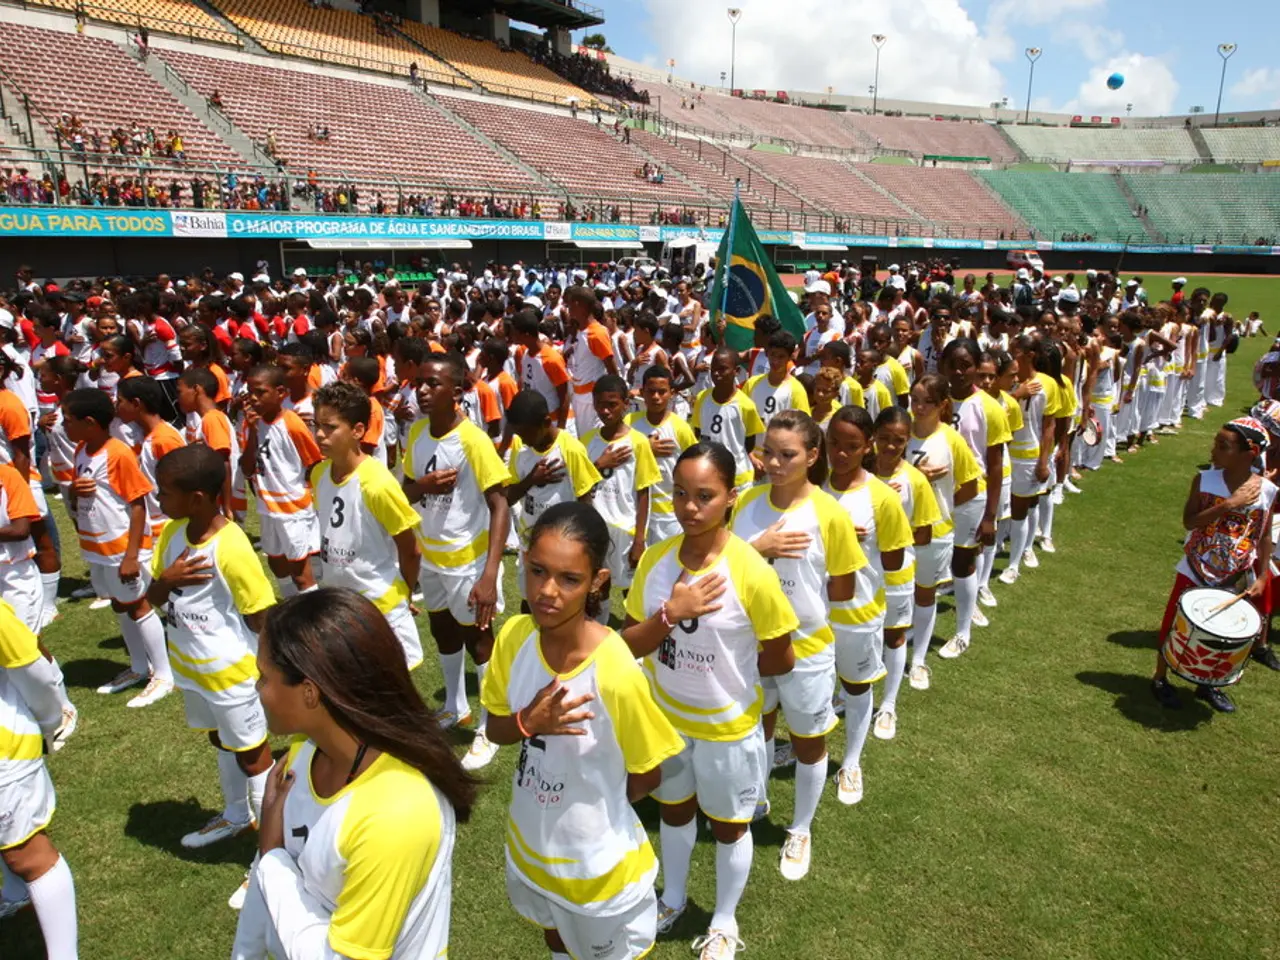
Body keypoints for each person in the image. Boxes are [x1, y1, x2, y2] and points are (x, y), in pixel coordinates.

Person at [482, 503, 685, 960]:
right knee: (554, 936)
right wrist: (526, 723)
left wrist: (595, 801)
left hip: (595, 866)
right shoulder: (515, 637)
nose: (547, 592)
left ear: (597, 582)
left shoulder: (612, 667)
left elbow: (648, 773)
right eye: (537, 571)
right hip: (532, 843)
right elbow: (496, 728)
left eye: (569, 579)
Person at [230, 589, 476, 960]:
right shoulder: (301, 757)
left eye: (264, 677)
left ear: (309, 693)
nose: (257, 688)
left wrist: (271, 856)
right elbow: (263, 901)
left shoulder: (397, 814)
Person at [623, 442, 797, 960]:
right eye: (680, 494)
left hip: (727, 729)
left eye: (704, 496)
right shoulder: (656, 560)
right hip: (666, 723)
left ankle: (723, 920)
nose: (689, 507)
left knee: (727, 825)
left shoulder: (750, 570)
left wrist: (730, 674)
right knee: (674, 812)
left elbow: (782, 656)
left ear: (730, 499)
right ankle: (672, 899)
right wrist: (670, 616)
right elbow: (628, 642)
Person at [730, 411, 865, 879]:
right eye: (768, 452)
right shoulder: (746, 503)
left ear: (812, 456)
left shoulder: (830, 512)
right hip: (751, 646)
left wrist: (796, 600)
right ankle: (760, 796)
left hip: (806, 650)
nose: (774, 463)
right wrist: (760, 550)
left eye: (787, 455)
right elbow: (725, 568)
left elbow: (844, 589)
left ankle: (801, 828)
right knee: (758, 728)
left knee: (809, 742)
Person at [147, 445, 275, 850]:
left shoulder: (231, 545)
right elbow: (153, 596)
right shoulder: (171, 534)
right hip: (192, 668)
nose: (158, 498)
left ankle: (270, 853)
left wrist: (273, 671)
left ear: (197, 498)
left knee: (253, 755)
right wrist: (167, 580)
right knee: (221, 740)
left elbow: (261, 615)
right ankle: (237, 816)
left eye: (165, 492)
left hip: (233, 673)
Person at [402, 353, 510, 769]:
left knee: (479, 639)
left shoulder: (472, 441)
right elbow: (408, 492)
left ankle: (488, 727)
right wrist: (423, 485)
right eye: (420, 383)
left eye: (434, 384)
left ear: (458, 392)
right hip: (433, 556)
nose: (423, 391)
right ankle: (454, 705)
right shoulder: (417, 433)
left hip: (468, 561)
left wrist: (489, 573)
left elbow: (500, 505)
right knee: (442, 630)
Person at [1151, 417, 1276, 713]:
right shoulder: (1205, 481)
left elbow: (1265, 534)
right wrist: (1229, 504)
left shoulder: (1267, 491)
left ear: (1250, 453)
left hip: (1234, 573)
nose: (1214, 450)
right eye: (1216, 443)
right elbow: (1190, 521)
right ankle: (1159, 677)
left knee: (1221, 632)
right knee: (1175, 623)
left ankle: (1208, 683)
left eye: (1223, 446)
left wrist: (1262, 575)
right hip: (1196, 566)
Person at [63, 388, 174, 707]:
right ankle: (139, 667)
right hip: (98, 547)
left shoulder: (118, 453)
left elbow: (138, 504)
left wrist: (130, 555)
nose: (63, 425)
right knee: (120, 604)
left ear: (89, 422)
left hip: (123, 548)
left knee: (138, 605)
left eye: (68, 420)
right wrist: (74, 492)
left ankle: (163, 675)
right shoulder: (82, 450)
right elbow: (78, 497)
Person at [311, 382, 423, 669]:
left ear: (358, 431)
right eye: (316, 425)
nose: (320, 434)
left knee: (389, 697)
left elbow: (410, 550)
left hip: (380, 609)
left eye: (330, 427)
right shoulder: (320, 474)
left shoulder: (378, 483)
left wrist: (404, 594)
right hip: (340, 610)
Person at [824, 405, 914, 742]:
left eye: (852, 446)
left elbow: (892, 563)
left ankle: (851, 762)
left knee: (856, 687)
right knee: (818, 685)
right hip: (815, 609)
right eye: (834, 443)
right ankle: (810, 747)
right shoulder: (813, 486)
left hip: (858, 613)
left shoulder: (882, 498)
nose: (841, 453)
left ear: (868, 446)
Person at [0, 598, 78, 958]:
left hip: (6, 754)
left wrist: (53, 720)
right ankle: (15, 896)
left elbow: (31, 665)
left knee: (26, 852)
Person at [904, 375, 982, 676]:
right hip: (899, 532)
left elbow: (971, 486)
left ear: (942, 405)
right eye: (914, 400)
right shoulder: (901, 433)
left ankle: (919, 659)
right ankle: (906, 634)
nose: (919, 407)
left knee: (926, 594)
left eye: (927, 402)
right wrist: (916, 476)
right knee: (901, 592)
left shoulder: (951, 439)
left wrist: (942, 507)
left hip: (935, 532)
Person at [937, 338, 1010, 658]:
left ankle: (962, 631)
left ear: (977, 366)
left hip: (971, 496)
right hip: (935, 494)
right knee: (928, 561)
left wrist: (991, 516)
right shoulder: (934, 399)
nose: (958, 371)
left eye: (965, 364)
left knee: (963, 561)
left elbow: (995, 466)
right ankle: (916, 620)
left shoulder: (990, 407)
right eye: (952, 363)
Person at [871, 407, 942, 691]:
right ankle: (852, 693)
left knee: (893, 636)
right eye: (884, 437)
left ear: (908, 441)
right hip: (861, 571)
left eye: (898, 440)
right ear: (873, 435)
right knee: (864, 634)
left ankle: (888, 705)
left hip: (897, 573)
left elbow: (924, 535)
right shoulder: (858, 471)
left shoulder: (916, 480)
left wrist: (890, 532)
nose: (890, 446)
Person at [506, 390, 602, 600]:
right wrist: (531, 479)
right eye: (518, 434)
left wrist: (587, 548)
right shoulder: (520, 448)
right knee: (529, 600)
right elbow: (508, 498)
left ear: (546, 422)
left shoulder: (570, 449)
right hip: (529, 542)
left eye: (526, 433)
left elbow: (585, 503)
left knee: (558, 602)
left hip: (562, 545)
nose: (522, 439)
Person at [580, 375, 659, 620]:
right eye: (600, 404)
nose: (605, 411)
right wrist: (599, 464)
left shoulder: (638, 443)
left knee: (632, 589)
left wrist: (639, 539)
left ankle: (635, 640)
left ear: (626, 403)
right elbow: (579, 485)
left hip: (624, 529)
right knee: (597, 587)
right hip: (595, 528)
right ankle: (599, 633)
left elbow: (643, 491)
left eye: (612, 404)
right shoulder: (587, 441)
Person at [241, 364, 323, 598]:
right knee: (277, 563)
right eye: (250, 392)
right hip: (267, 509)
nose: (254, 399)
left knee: (300, 572)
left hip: (293, 510)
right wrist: (254, 432)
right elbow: (247, 468)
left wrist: (309, 498)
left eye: (260, 392)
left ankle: (312, 617)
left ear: (280, 393)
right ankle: (291, 605)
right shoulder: (252, 423)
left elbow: (314, 463)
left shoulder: (292, 423)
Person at [628, 365, 697, 545]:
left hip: (669, 513)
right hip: (635, 509)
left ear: (672, 393)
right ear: (642, 392)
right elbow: (618, 457)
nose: (656, 397)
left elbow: (694, 465)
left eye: (662, 392)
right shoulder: (630, 423)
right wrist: (645, 449)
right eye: (651, 392)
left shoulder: (680, 428)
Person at [116, 377, 185, 540]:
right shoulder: (141, 435)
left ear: (136, 404)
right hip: (152, 526)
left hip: (166, 527)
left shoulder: (164, 440)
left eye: (119, 401)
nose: (116, 407)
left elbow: (182, 486)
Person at [691, 346, 765, 490]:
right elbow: (699, 433)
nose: (717, 374)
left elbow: (749, 444)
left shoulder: (746, 405)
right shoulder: (702, 398)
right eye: (713, 369)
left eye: (722, 369)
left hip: (739, 478)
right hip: (709, 475)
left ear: (736, 371)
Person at [178, 367, 238, 518]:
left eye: (180, 392)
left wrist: (226, 507)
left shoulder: (212, 419)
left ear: (196, 389)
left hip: (219, 504)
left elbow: (223, 462)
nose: (178, 398)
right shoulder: (206, 419)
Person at [744, 332, 809, 426]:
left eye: (781, 357)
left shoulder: (796, 390)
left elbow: (803, 425)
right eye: (772, 354)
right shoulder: (752, 383)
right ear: (767, 353)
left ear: (790, 357)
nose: (775, 361)